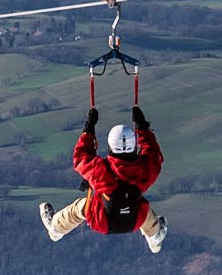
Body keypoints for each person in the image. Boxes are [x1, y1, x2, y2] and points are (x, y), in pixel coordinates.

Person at [40, 104, 167, 252]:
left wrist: (88, 130)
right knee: (142, 207)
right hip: (134, 221)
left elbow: (80, 157)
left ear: (110, 147)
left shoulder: (101, 170)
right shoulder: (143, 170)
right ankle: (154, 235)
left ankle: (56, 228)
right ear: (133, 146)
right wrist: (143, 128)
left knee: (79, 208)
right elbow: (153, 153)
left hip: (102, 221)